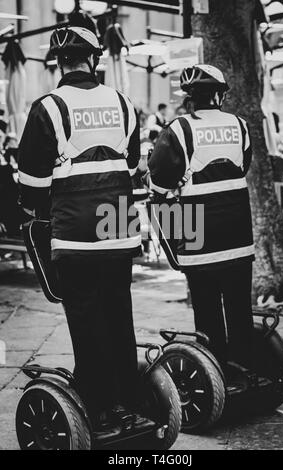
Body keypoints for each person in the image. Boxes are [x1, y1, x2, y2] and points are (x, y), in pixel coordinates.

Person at [18, 26, 151, 430]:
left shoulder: (48, 107)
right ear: (94, 59)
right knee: (118, 311)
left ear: (59, 63)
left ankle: (101, 408)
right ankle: (130, 397)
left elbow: (32, 182)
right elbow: (131, 167)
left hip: (74, 230)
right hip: (119, 226)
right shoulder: (124, 104)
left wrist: (45, 206)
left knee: (85, 315)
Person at [148, 64, 255, 374]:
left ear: (190, 97)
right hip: (238, 232)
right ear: (219, 95)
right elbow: (243, 166)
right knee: (239, 306)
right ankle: (244, 365)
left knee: (207, 308)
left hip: (199, 231)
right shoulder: (240, 125)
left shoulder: (179, 128)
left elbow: (159, 178)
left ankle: (215, 370)